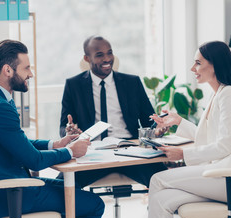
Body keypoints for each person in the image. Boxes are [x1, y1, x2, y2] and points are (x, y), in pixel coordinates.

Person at [0, 39, 104, 218]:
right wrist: (72, 151)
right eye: (26, 68)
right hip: (6, 195)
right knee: (93, 205)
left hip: (1, 189)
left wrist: (55, 144)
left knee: (72, 191)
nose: (31, 74)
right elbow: (34, 160)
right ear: (8, 70)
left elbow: (16, 143)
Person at [147, 41, 231, 218]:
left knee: (157, 179)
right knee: (161, 200)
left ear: (215, 65)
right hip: (224, 177)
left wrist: (183, 154)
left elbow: (223, 146)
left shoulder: (229, 94)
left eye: (198, 63)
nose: (192, 69)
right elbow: (209, 137)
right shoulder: (219, 94)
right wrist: (178, 121)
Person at [58, 35, 167, 188]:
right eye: (99, 55)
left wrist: (158, 128)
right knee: (60, 187)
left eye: (110, 53)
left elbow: (149, 120)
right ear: (87, 58)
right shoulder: (73, 85)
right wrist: (69, 132)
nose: (107, 59)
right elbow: (64, 127)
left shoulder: (132, 82)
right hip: (91, 154)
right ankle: (86, 211)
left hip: (130, 151)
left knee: (165, 182)